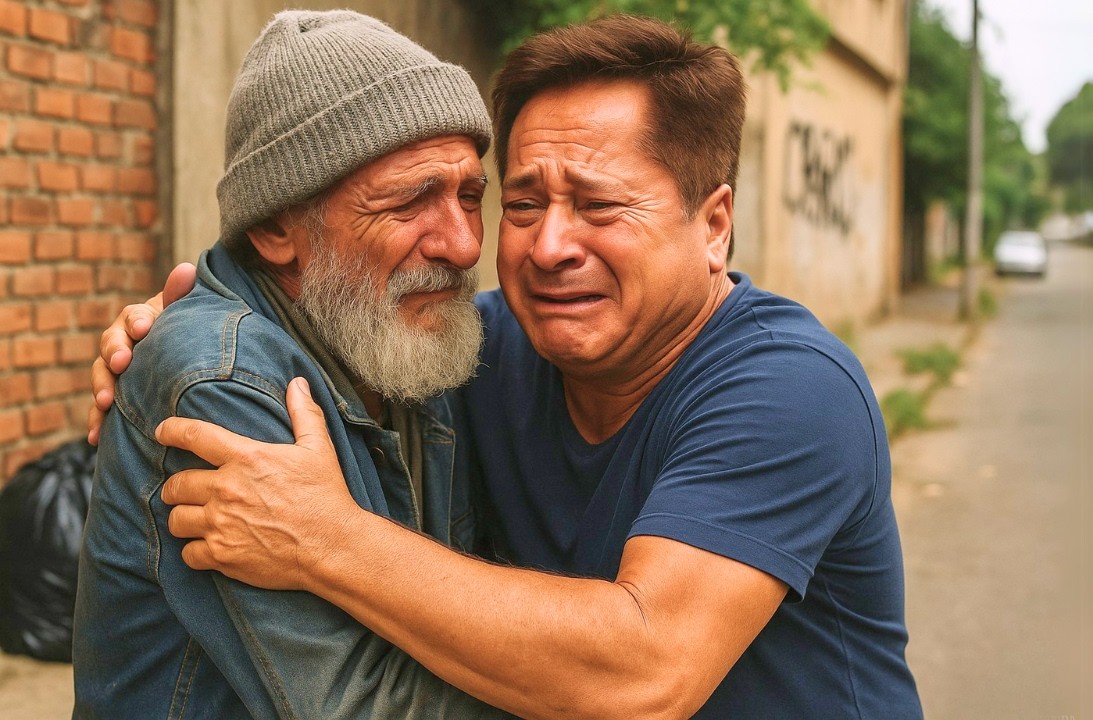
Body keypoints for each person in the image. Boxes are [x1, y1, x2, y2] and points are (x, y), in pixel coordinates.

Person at [93, 15, 924, 719]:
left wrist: (332, 541)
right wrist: (179, 337)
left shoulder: (792, 390)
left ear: (714, 227)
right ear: (278, 228)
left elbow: (647, 670)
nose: (545, 246)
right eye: (523, 205)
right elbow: (266, 342)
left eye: (599, 204)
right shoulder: (472, 355)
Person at [73, 10, 508, 718]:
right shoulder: (223, 382)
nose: (461, 245)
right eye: (411, 201)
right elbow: (358, 705)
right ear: (277, 228)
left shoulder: (408, 342)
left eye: (470, 195)